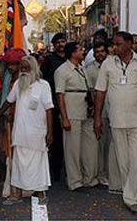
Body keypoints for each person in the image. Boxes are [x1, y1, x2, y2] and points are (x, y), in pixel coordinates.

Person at [94, 32, 137, 214]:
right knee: (123, 161)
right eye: (114, 44)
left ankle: (133, 198)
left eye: (119, 44)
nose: (115, 48)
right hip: (117, 120)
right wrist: (98, 118)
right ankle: (129, 192)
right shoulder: (108, 63)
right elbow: (100, 92)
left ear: (130, 44)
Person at [0, 56, 53, 212]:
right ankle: (16, 194)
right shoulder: (18, 84)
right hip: (20, 133)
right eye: (21, 67)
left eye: (26, 67)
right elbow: (9, 101)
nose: (23, 70)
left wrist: (50, 132)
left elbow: (49, 110)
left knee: (39, 163)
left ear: (34, 68)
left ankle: (40, 193)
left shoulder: (43, 86)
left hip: (37, 133)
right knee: (18, 164)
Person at [55, 42, 98, 191]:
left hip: (85, 110)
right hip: (72, 112)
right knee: (72, 148)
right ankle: (75, 181)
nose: (83, 51)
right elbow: (60, 95)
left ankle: (89, 178)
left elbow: (89, 89)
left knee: (89, 146)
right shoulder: (62, 71)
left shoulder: (82, 68)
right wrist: (64, 117)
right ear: (72, 53)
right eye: (80, 50)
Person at [85, 42, 121, 192]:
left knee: (111, 146)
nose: (99, 54)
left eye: (102, 51)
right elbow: (92, 92)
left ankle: (111, 174)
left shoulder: (114, 65)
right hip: (100, 113)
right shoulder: (89, 69)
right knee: (100, 146)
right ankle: (100, 174)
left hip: (114, 111)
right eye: (97, 52)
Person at [0, 48, 26, 203]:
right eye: (9, 64)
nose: (11, 67)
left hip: (23, 123)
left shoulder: (26, 80)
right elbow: (7, 100)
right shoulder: (9, 79)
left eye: (14, 64)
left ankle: (24, 188)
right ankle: (12, 187)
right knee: (11, 155)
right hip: (11, 121)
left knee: (22, 155)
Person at [40, 32, 67, 181]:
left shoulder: (70, 59)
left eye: (63, 41)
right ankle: (54, 168)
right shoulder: (49, 60)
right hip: (53, 103)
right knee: (55, 137)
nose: (61, 44)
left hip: (69, 102)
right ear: (54, 45)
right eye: (58, 42)